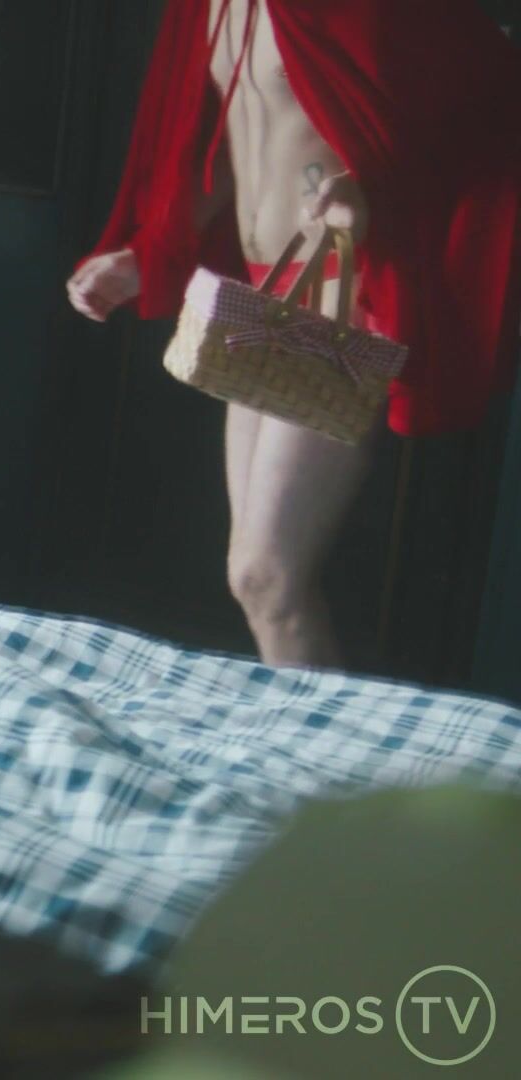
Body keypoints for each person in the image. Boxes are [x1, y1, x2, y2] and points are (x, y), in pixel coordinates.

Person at [67, 0, 521, 669]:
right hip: (259, 298)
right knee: (253, 578)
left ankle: (325, 740)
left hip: (337, 295)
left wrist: (374, 192)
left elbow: (483, 109)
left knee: (268, 578)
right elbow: (227, 148)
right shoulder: (209, 9)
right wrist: (145, 256)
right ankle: (311, 730)